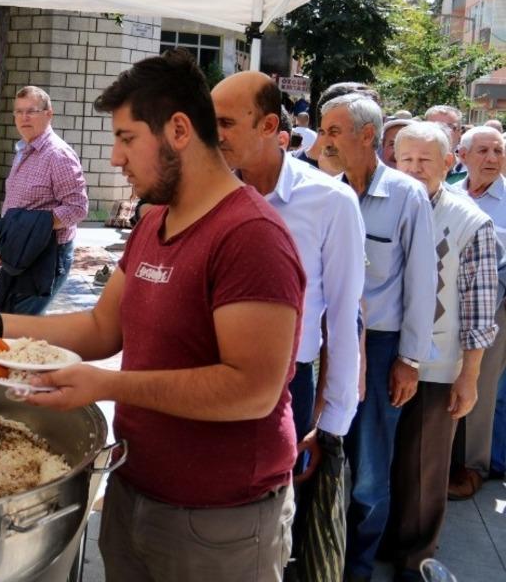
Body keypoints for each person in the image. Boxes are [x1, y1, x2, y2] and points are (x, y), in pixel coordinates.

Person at [0, 50, 306, 581]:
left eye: (126, 138)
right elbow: (102, 328)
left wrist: (106, 385)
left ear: (179, 131)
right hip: (136, 489)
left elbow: (252, 389)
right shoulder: (155, 223)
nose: (116, 158)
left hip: (221, 519)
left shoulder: (251, 236)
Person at [213, 72, 364, 578]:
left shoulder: (329, 202)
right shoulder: (206, 194)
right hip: (207, 378)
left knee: (276, 527)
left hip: (286, 389)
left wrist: (332, 424)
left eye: (226, 123)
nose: (215, 135)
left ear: (269, 126)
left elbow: (343, 316)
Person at [318, 91, 436, 582]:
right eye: (323, 130)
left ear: (367, 135)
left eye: (334, 131)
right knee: (324, 454)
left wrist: (409, 359)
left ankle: (358, 568)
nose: (325, 141)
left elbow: (423, 282)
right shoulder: (325, 192)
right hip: (328, 345)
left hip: (384, 348)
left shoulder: (407, 196)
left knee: (369, 472)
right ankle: (319, 555)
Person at [387, 122, 497, 581]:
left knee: (424, 469)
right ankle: (380, 543)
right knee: (381, 462)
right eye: (406, 159)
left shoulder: (471, 221)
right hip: (382, 354)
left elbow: (479, 308)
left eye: (425, 161)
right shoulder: (383, 204)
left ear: (449, 163)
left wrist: (469, 376)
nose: (414, 169)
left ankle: (416, 559)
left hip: (436, 364)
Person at [0, 85, 88, 314]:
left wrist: (30, 230)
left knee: (20, 325)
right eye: (19, 111)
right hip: (19, 250)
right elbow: (16, 204)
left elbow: (77, 208)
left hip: (46, 256)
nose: (24, 117)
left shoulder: (58, 155)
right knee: (1, 317)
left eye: (31, 111)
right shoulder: (24, 149)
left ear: (48, 114)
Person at [449, 125, 506, 499]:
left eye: (498, 151)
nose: (491, 158)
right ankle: (442, 458)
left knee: (482, 386)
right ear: (462, 155)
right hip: (446, 303)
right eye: (483, 150)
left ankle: (473, 467)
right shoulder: (450, 193)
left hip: (495, 307)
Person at [425, 104, 466, 184]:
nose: (443, 132)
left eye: (449, 127)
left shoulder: (472, 173)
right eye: (434, 127)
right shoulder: (411, 171)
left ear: (459, 132)